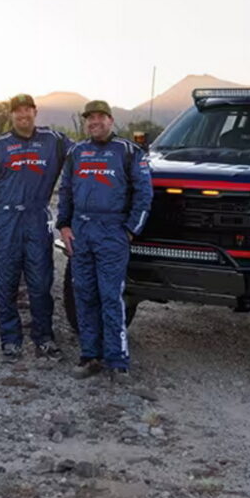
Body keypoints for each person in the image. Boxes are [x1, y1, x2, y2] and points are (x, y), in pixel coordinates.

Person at [57, 100, 153, 381]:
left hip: (112, 232)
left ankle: (117, 359)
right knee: (84, 295)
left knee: (110, 296)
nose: (94, 122)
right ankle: (90, 356)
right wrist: (64, 225)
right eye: (89, 118)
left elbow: (144, 194)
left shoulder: (128, 151)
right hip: (81, 232)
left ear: (111, 120)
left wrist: (130, 230)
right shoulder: (77, 152)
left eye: (100, 117)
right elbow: (65, 191)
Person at [0, 93, 72, 362]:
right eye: (17, 111)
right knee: (6, 284)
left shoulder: (53, 140)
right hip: (4, 221)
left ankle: (44, 338)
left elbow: (83, 156)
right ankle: (10, 340)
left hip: (37, 219)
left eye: (27, 110)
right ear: (11, 115)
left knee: (41, 283)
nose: (23, 115)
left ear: (35, 112)